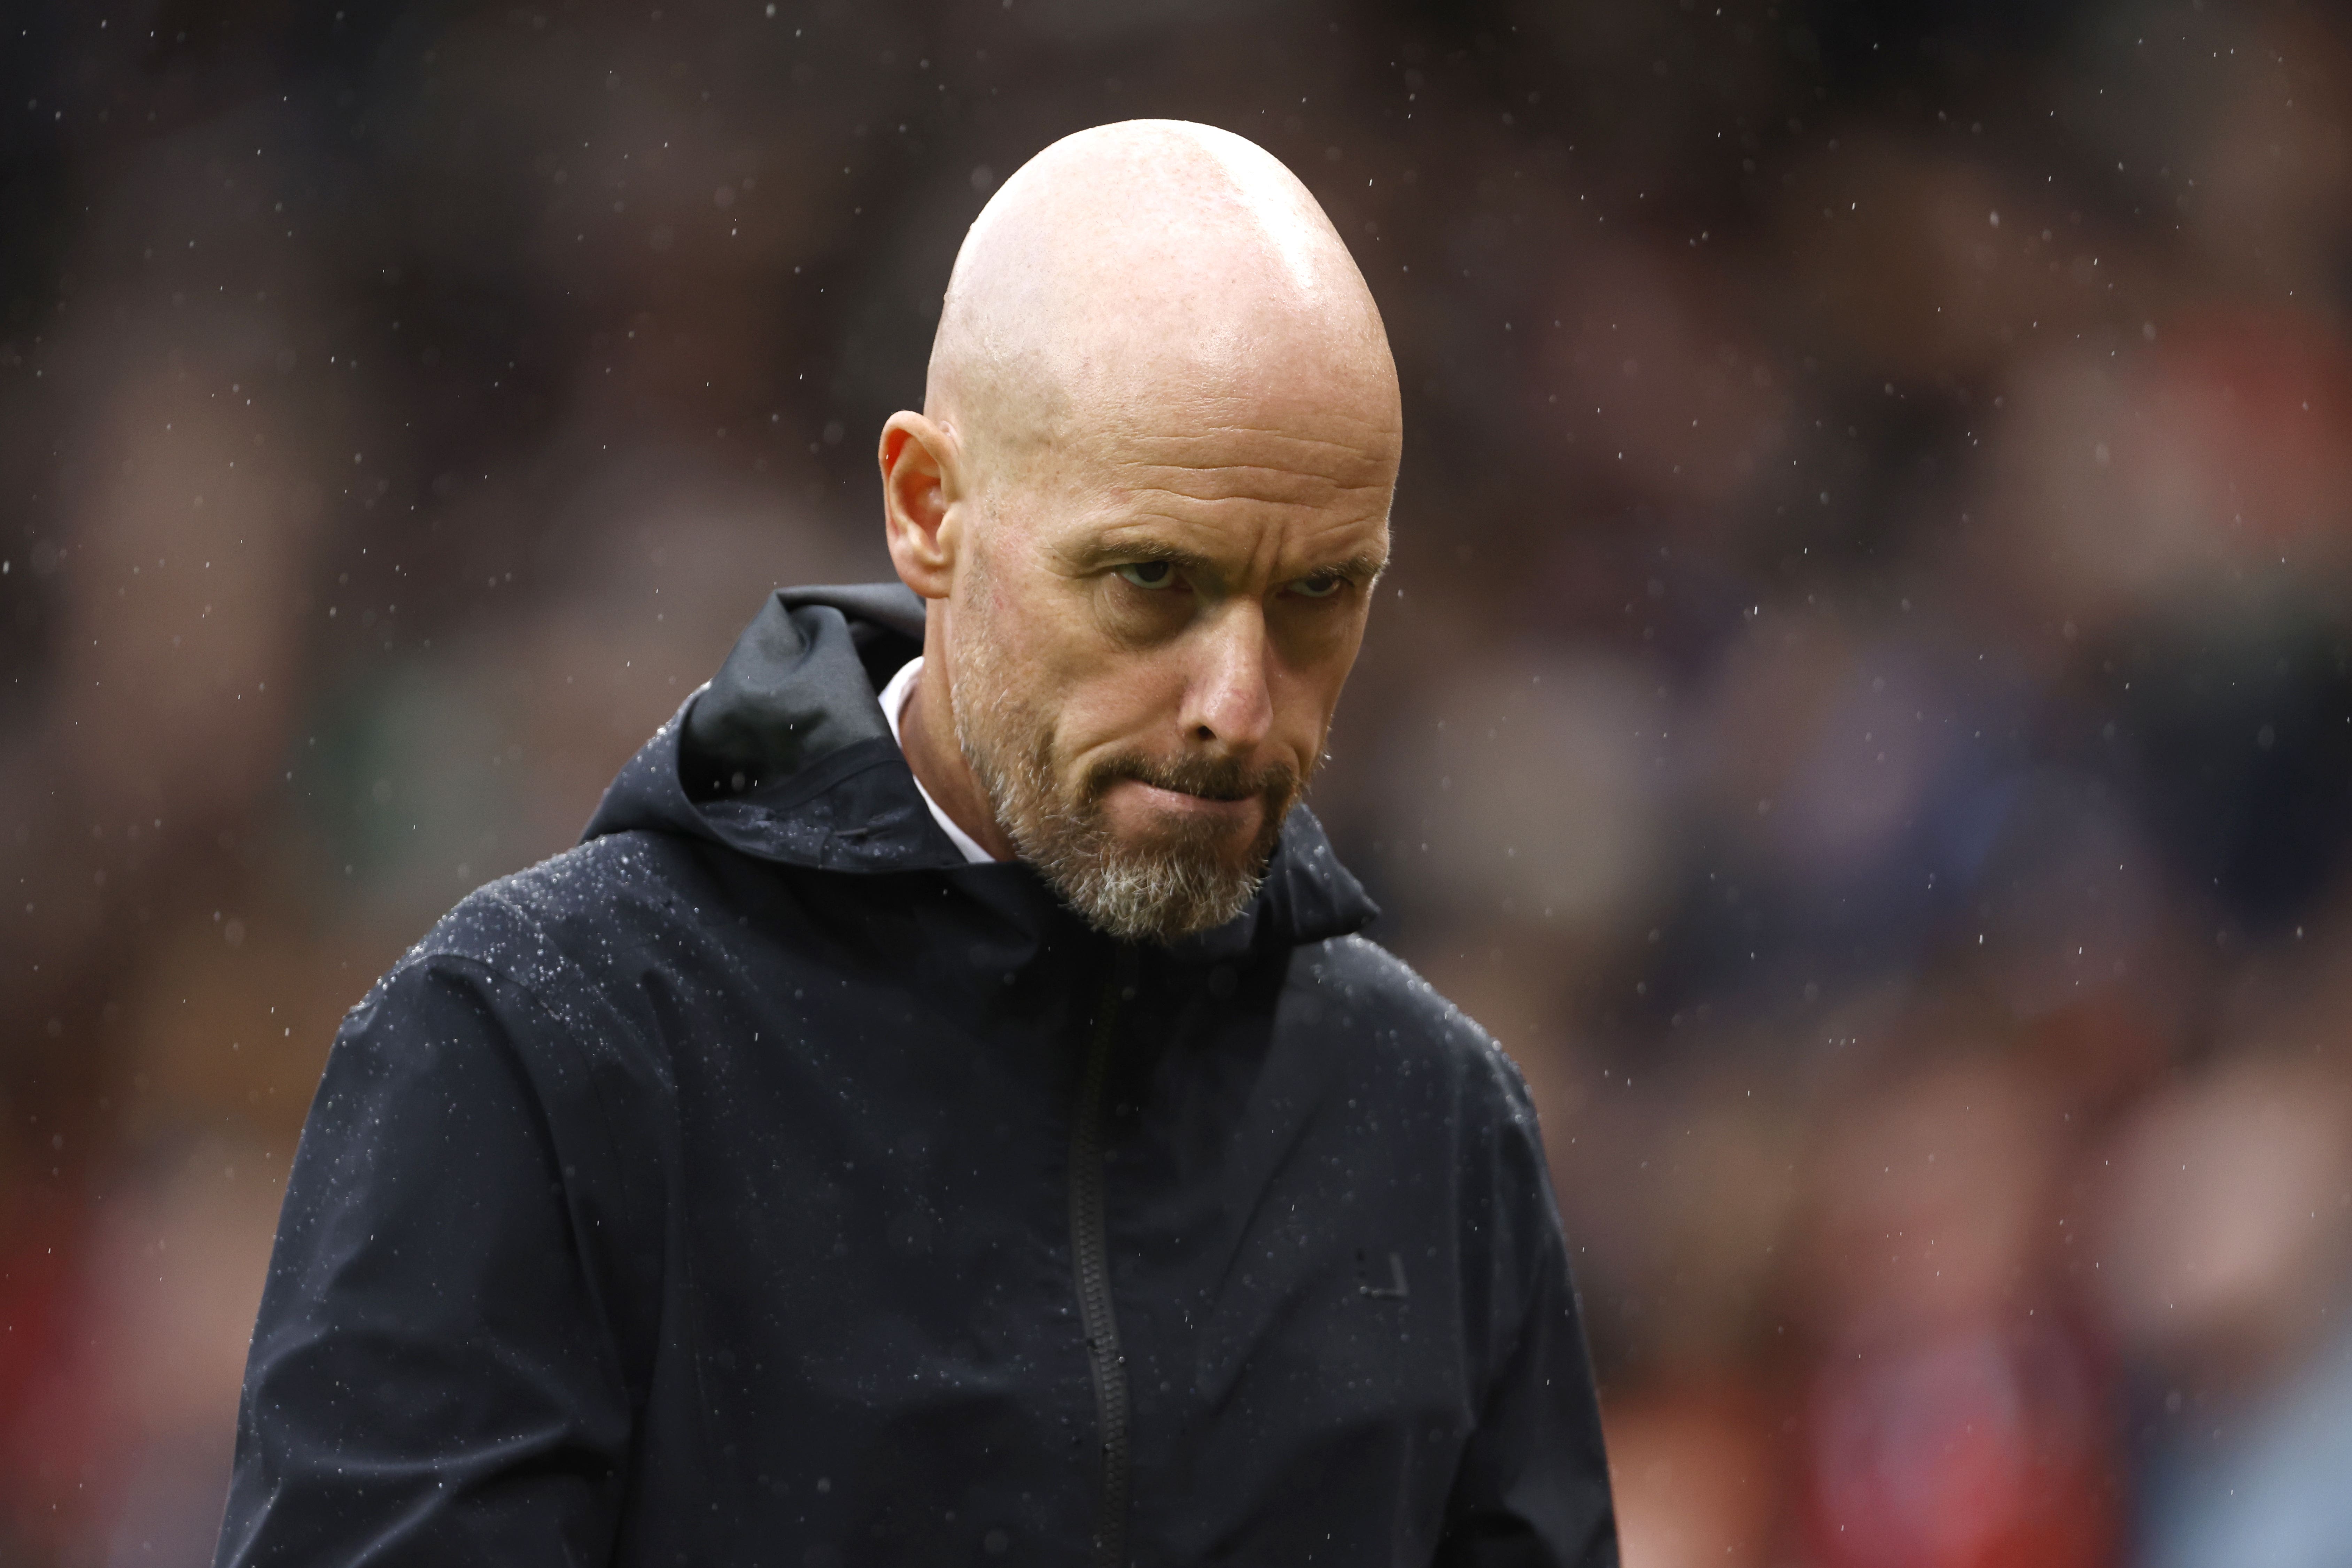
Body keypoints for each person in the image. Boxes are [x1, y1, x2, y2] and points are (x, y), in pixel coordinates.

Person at [214, 119, 1618, 1568]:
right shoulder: (535, 1050)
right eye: (1152, 579)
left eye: (1322, 591)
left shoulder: (1433, 1123)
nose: (1239, 704)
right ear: (927, 509)